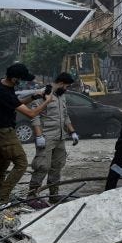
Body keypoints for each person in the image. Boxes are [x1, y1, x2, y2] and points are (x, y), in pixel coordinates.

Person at [0, 63, 53, 202]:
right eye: (21, 79)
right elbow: (31, 113)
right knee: (21, 163)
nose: (22, 82)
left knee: (3, 161)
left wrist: (35, 96)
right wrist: (46, 102)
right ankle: (3, 197)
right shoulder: (3, 91)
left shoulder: (2, 86)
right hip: (3, 131)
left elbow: (17, 102)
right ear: (14, 78)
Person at [27, 72, 80, 201]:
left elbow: (65, 115)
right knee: (42, 166)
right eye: (66, 86)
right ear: (61, 83)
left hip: (60, 137)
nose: (66, 89)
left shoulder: (62, 96)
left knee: (57, 166)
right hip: (46, 137)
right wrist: (39, 136)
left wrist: (72, 132)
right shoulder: (42, 93)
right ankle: (32, 196)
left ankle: (53, 195)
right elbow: (35, 116)